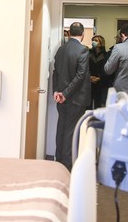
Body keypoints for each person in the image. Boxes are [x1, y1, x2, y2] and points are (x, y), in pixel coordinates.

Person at [52, 22, 91, 171]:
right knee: (70, 130)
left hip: (61, 97)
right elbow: (80, 76)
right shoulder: (83, 50)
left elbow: (56, 72)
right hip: (75, 98)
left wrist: (57, 92)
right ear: (82, 34)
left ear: (69, 33)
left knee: (61, 127)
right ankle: (66, 165)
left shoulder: (60, 49)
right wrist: (66, 94)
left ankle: (58, 158)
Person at [89, 35, 110, 108]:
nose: (93, 42)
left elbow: (107, 70)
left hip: (101, 83)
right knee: (88, 105)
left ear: (101, 43)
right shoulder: (88, 53)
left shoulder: (106, 55)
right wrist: (89, 76)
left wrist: (99, 78)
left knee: (99, 105)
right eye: (93, 40)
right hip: (89, 82)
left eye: (96, 40)